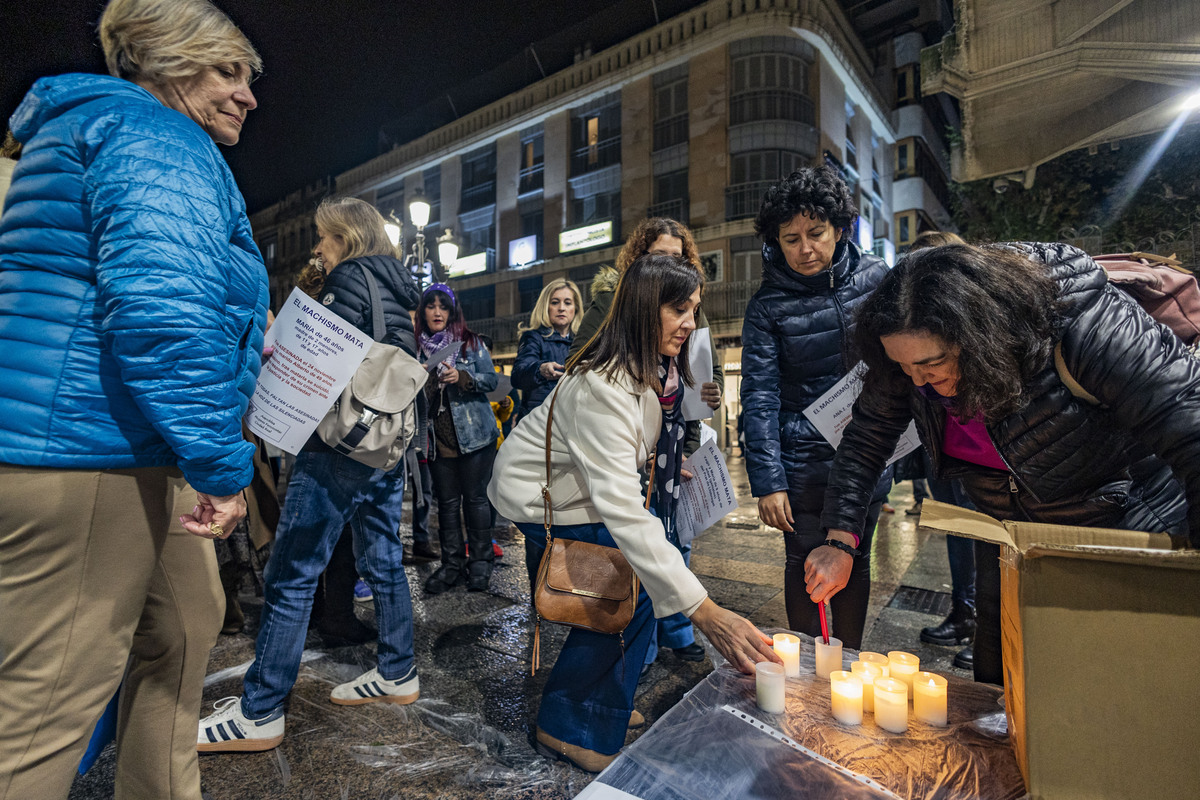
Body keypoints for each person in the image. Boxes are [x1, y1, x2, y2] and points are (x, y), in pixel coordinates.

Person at [0, 1, 264, 796]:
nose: (248, 94)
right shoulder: (157, 139)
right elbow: (163, 315)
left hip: (123, 445)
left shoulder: (97, 132)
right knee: (43, 713)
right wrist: (222, 466)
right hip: (91, 454)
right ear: (170, 63)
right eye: (229, 71)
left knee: (186, 624)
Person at [818, 241, 1200, 684]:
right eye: (904, 368)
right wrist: (840, 541)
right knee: (1003, 686)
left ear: (978, 335)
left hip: (1120, 527)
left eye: (933, 364)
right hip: (1006, 534)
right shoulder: (908, 360)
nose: (918, 381)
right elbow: (866, 439)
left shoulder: (1081, 322)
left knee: (1108, 687)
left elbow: (1190, 427)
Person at [490, 253, 779, 772]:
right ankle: (569, 725)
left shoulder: (654, 369)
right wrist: (705, 612)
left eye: (694, 309)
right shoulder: (603, 386)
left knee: (635, 585)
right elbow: (622, 509)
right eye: (679, 310)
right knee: (624, 587)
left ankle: (599, 705)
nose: (691, 323)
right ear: (646, 311)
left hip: (576, 490)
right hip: (539, 495)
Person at [197, 196, 423, 752]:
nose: (316, 248)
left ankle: (261, 709)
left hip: (337, 449)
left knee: (291, 574)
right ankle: (398, 671)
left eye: (323, 237)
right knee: (384, 559)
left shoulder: (347, 280)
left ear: (346, 237)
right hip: (384, 446)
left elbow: (320, 364)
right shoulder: (398, 287)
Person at [740, 165, 892, 651]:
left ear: (841, 229)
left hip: (866, 453)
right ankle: (806, 672)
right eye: (790, 239)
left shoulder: (877, 279)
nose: (805, 249)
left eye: (816, 233)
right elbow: (759, 396)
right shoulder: (767, 306)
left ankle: (845, 666)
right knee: (803, 564)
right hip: (802, 464)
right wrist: (769, 481)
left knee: (854, 559)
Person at [570, 218, 722, 668]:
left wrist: (705, 393)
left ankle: (676, 630)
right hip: (632, 434)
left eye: (678, 258)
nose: (669, 264)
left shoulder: (691, 311)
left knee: (678, 534)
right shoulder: (614, 304)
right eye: (659, 256)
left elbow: (696, 375)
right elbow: (582, 359)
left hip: (677, 435)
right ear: (639, 259)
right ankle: (643, 641)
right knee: (640, 533)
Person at [904, 230, 977, 670]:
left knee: (988, 539)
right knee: (957, 532)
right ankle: (964, 613)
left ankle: (989, 622)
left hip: (981, 454)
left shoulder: (972, 324)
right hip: (942, 450)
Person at [416, 284, 501, 593]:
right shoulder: (415, 350)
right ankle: (452, 565)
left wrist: (462, 377)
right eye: (431, 306)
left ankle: (480, 563)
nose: (437, 312)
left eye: (443, 307)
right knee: (448, 505)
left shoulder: (470, 343)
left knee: (476, 501)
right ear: (423, 311)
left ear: (452, 313)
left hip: (476, 437)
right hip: (438, 441)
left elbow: (491, 380)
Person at [512, 278, 582, 417]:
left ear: (575, 309)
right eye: (555, 302)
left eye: (567, 303)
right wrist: (540, 369)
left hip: (572, 421)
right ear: (545, 307)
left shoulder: (583, 342)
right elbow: (517, 377)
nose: (561, 308)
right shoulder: (533, 337)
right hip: (538, 422)